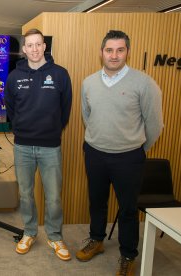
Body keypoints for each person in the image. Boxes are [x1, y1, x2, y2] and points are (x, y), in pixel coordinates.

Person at [77, 30, 163, 275]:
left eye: (120, 50)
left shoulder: (144, 83)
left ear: (127, 51)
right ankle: (97, 240)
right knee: (97, 202)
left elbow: (155, 124)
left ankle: (128, 255)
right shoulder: (89, 82)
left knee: (127, 209)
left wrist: (137, 148)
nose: (114, 55)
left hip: (129, 158)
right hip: (95, 153)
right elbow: (87, 116)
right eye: (109, 50)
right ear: (101, 52)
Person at [5, 28, 72, 261]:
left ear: (45, 47)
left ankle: (54, 235)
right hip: (22, 145)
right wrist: (21, 128)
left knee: (53, 196)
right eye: (29, 45)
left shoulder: (60, 74)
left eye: (38, 44)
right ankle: (30, 232)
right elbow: (11, 109)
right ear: (24, 49)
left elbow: (65, 111)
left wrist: (51, 130)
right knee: (25, 194)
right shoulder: (14, 76)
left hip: (50, 147)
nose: (34, 49)